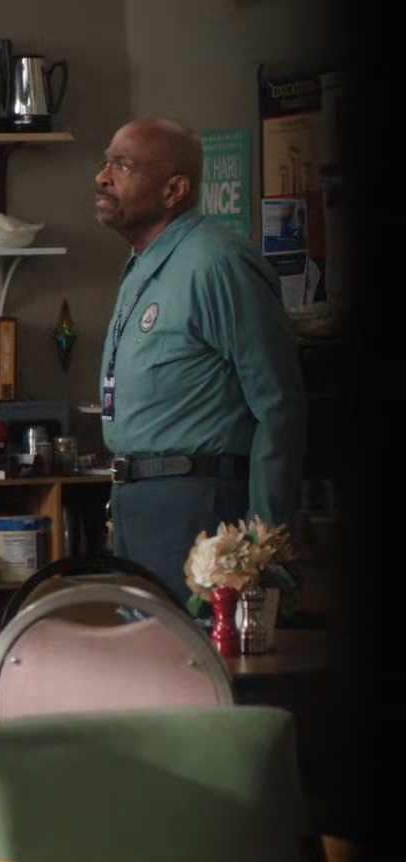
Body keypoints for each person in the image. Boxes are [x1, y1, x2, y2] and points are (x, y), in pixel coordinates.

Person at [93, 118, 306, 603]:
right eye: (106, 163)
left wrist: (263, 545)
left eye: (122, 166)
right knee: (144, 648)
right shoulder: (144, 263)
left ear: (174, 190)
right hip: (138, 505)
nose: (102, 177)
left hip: (200, 509)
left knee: (194, 649)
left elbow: (279, 407)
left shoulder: (217, 262)